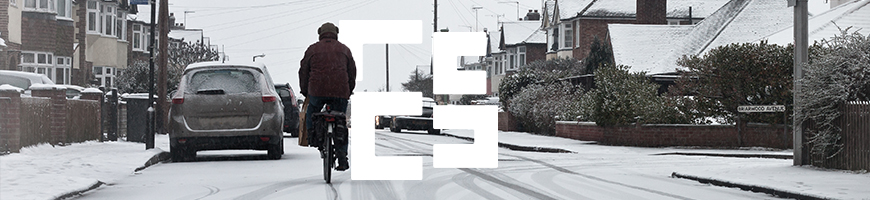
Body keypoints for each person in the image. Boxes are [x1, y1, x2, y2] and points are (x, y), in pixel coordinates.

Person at [299, 22, 356, 171]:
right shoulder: (344, 50)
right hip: (340, 91)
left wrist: (306, 91)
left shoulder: (312, 49)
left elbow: (303, 71)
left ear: (320, 34)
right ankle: (342, 155)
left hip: (317, 90)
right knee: (341, 121)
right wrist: (348, 90)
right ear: (336, 34)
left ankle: (313, 136)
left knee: (313, 111)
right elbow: (352, 72)